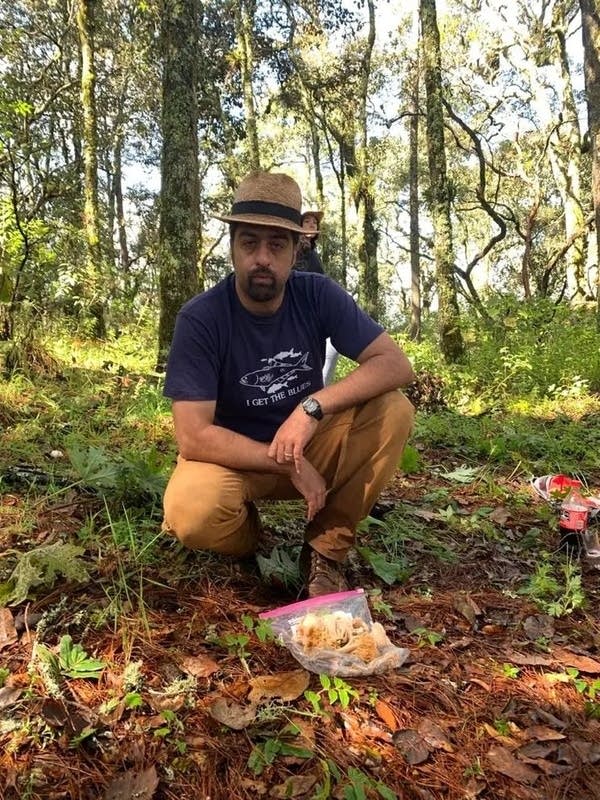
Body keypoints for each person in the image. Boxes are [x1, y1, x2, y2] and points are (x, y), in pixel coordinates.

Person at [161, 171, 415, 597]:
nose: (262, 257)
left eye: (276, 245)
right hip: (236, 459)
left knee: (394, 410)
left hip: (311, 443)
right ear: (233, 249)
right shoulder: (201, 318)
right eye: (249, 243)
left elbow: (395, 364)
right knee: (191, 511)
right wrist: (289, 464)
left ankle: (326, 551)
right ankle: (248, 538)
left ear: (297, 251)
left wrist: (311, 407)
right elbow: (193, 437)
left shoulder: (317, 295)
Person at [294, 210, 338, 384]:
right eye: (307, 221)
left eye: (314, 222)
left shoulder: (312, 252)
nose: (312, 224)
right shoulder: (298, 248)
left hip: (314, 318)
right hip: (301, 317)